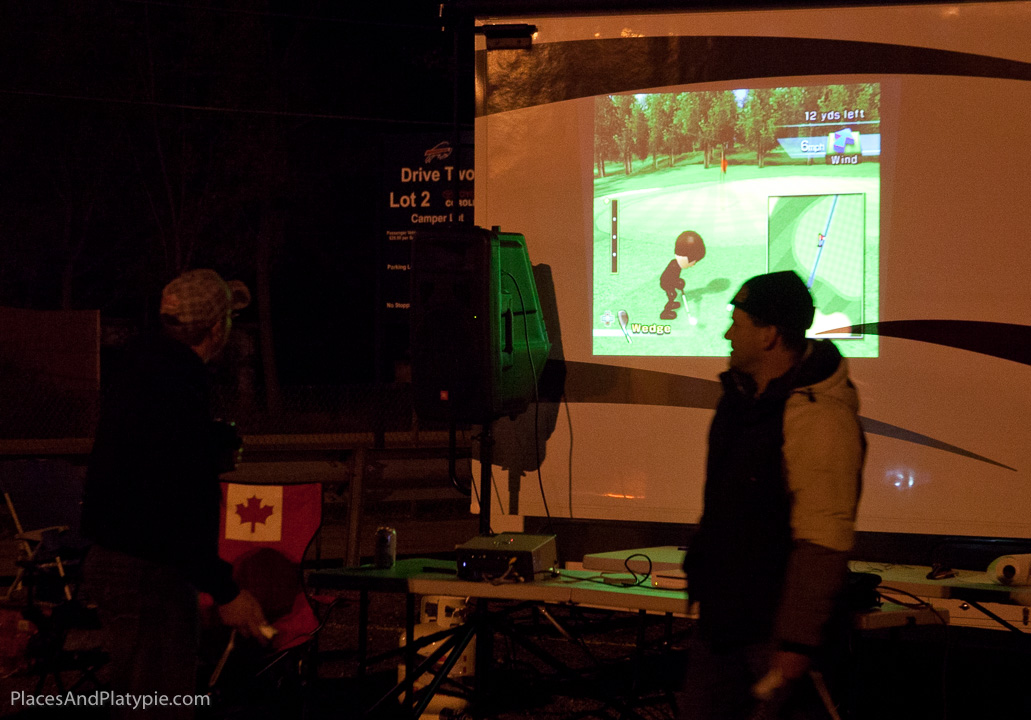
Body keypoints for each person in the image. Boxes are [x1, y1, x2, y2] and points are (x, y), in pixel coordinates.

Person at [82, 269, 268, 717]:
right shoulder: (176, 387)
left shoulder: (141, 371)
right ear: (216, 327)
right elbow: (173, 504)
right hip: (150, 575)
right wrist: (225, 591)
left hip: (121, 562)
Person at [682, 270, 864, 719]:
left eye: (737, 323)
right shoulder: (739, 401)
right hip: (725, 626)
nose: (727, 333)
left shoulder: (818, 417)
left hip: (772, 638)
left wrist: (795, 645)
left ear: (768, 335)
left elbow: (822, 539)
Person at [659, 231, 706, 320]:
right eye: (693, 262)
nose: (692, 265)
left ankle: (671, 303)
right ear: (686, 258)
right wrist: (676, 283)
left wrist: (677, 281)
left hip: (670, 282)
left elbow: (674, 277)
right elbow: (666, 279)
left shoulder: (677, 265)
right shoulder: (674, 266)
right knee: (672, 295)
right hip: (666, 284)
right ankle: (666, 312)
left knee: (673, 294)